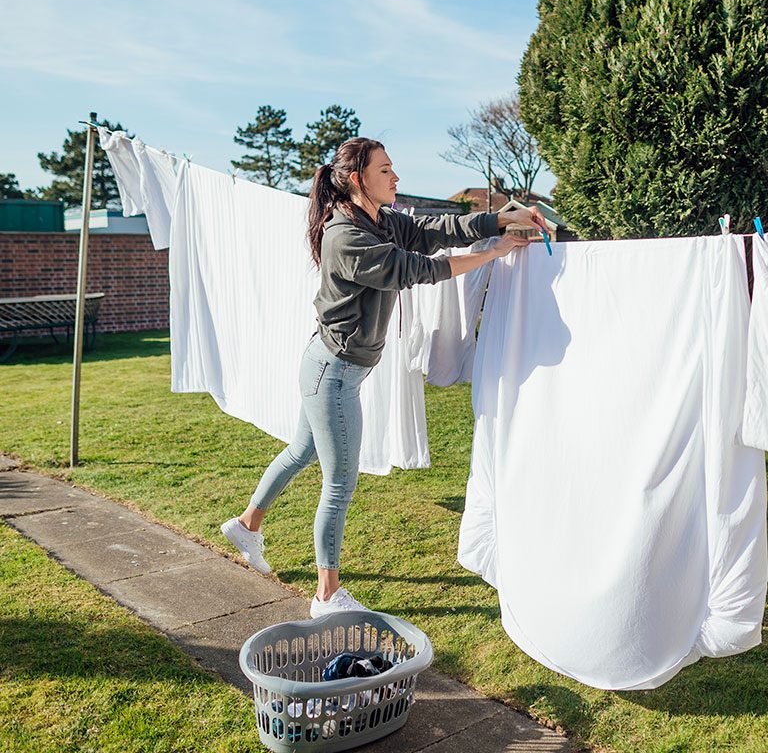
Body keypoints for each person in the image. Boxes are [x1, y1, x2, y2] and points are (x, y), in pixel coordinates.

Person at [220, 136, 547, 617]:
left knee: (301, 451)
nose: (396, 178)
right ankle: (326, 596)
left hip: (328, 366)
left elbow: (433, 229)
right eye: (386, 170)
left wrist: (502, 217)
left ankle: (246, 526)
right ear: (358, 179)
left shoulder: (376, 219)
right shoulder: (345, 236)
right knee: (339, 483)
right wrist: (492, 252)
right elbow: (414, 268)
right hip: (333, 374)